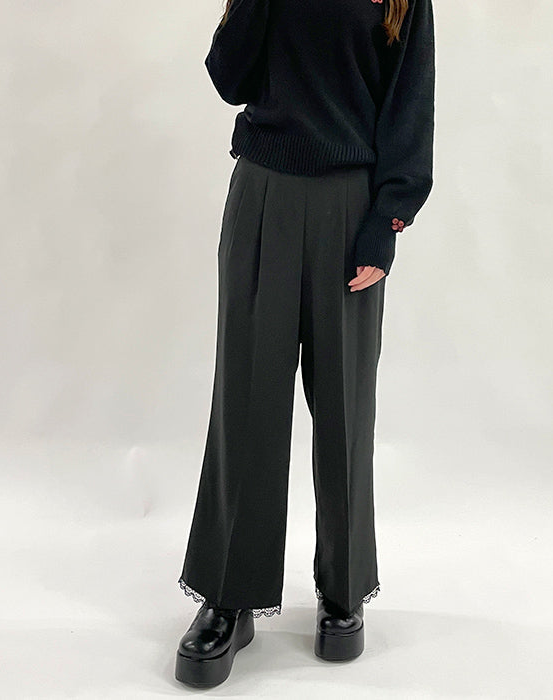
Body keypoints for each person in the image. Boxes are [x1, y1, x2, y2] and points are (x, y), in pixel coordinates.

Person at [175, 0, 435, 687]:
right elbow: (228, 78)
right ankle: (230, 597)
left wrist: (389, 217)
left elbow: (410, 99)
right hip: (262, 191)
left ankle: (343, 590)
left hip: (351, 207)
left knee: (344, 405)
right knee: (247, 401)